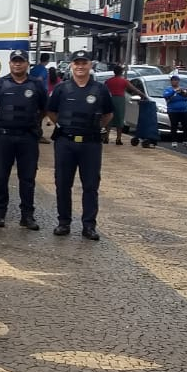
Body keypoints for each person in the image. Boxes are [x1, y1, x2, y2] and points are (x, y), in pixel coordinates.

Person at [47, 49, 113, 240]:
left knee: (90, 186)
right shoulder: (61, 89)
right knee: (62, 184)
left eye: (84, 63)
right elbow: (51, 112)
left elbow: (109, 114)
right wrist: (66, 127)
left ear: (90, 65)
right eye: (77, 63)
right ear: (71, 65)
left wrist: (93, 128)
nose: (80, 66)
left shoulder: (100, 90)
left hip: (90, 144)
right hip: (65, 142)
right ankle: (63, 222)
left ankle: (89, 226)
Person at [0, 49, 48, 229]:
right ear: (10, 63)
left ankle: (27, 216)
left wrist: (36, 121)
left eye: (21, 61)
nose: (17, 64)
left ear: (27, 63)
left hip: (28, 137)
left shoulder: (36, 85)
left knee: (27, 178)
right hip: (4, 136)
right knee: (0, 177)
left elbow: (45, 108)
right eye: (14, 61)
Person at [103, 64, 142, 145]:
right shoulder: (124, 81)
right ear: (121, 72)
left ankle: (106, 137)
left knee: (109, 117)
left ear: (114, 72)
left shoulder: (109, 81)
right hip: (120, 100)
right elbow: (134, 89)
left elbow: (103, 90)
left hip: (110, 98)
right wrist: (143, 95)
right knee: (120, 119)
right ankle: (118, 139)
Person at [164, 74, 187, 148]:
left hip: (183, 110)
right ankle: (174, 141)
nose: (175, 82)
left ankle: (186, 140)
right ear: (171, 81)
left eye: (176, 80)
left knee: (186, 125)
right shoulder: (168, 89)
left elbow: (186, 98)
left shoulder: (182, 89)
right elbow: (166, 96)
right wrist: (174, 91)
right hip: (173, 111)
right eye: (173, 80)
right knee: (174, 126)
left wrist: (184, 93)